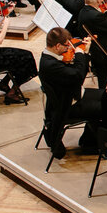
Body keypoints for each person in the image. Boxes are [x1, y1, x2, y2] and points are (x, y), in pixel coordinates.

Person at [37, 27, 100, 158]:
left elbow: (73, 75)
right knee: (106, 106)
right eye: (66, 45)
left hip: (72, 94)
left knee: (106, 95)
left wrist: (82, 54)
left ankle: (87, 139)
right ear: (57, 45)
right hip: (67, 105)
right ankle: (90, 144)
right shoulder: (50, 65)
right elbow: (78, 76)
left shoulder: (49, 56)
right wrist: (81, 54)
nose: (68, 48)